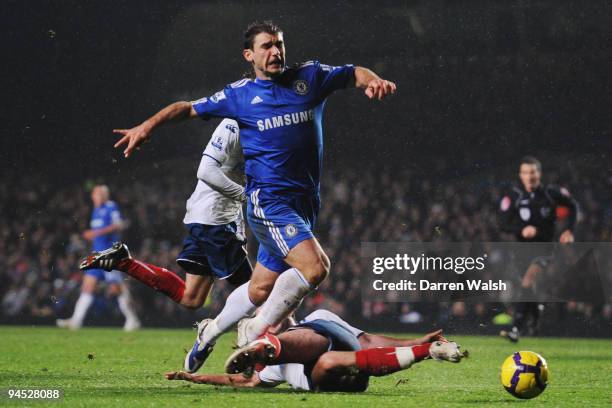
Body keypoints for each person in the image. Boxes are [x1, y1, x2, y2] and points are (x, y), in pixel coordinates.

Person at [112, 20, 396, 371]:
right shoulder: (239, 95)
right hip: (267, 202)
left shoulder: (309, 77)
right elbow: (187, 108)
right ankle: (255, 330)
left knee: (260, 289)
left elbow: (353, 73)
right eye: (266, 46)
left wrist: (374, 81)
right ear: (250, 55)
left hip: (305, 203)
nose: (275, 51)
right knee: (315, 267)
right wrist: (147, 126)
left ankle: (210, 332)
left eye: (279, 44)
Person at [80, 119, 251, 314]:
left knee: (191, 298)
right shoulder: (236, 126)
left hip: (206, 216)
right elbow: (206, 171)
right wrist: (247, 198)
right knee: (255, 292)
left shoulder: (255, 135)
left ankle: (124, 262)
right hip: (216, 220)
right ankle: (212, 336)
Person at [165, 309, 466, 392]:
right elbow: (237, 380)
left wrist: (418, 341)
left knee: (326, 346)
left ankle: (276, 346)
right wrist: (194, 378)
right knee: (328, 360)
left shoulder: (321, 318)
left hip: (345, 358)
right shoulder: (260, 373)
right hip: (333, 372)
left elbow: (370, 339)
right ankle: (427, 353)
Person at [499, 156, 578, 342]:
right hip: (521, 250)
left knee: (527, 281)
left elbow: (572, 205)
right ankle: (536, 314)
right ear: (520, 174)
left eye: (532, 172)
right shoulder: (514, 196)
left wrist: (569, 230)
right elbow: (503, 224)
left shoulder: (551, 193)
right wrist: (521, 230)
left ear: (539, 173)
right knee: (528, 287)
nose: (529, 176)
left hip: (544, 248)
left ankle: (515, 328)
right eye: (525, 172)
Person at [57, 185, 140, 331]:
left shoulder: (111, 207)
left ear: (104, 195)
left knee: (117, 288)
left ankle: (132, 320)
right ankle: (76, 321)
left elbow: (119, 224)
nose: (93, 197)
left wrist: (96, 233)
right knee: (87, 286)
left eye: (96, 194)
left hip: (109, 255)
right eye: (93, 195)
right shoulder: (96, 210)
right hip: (96, 255)